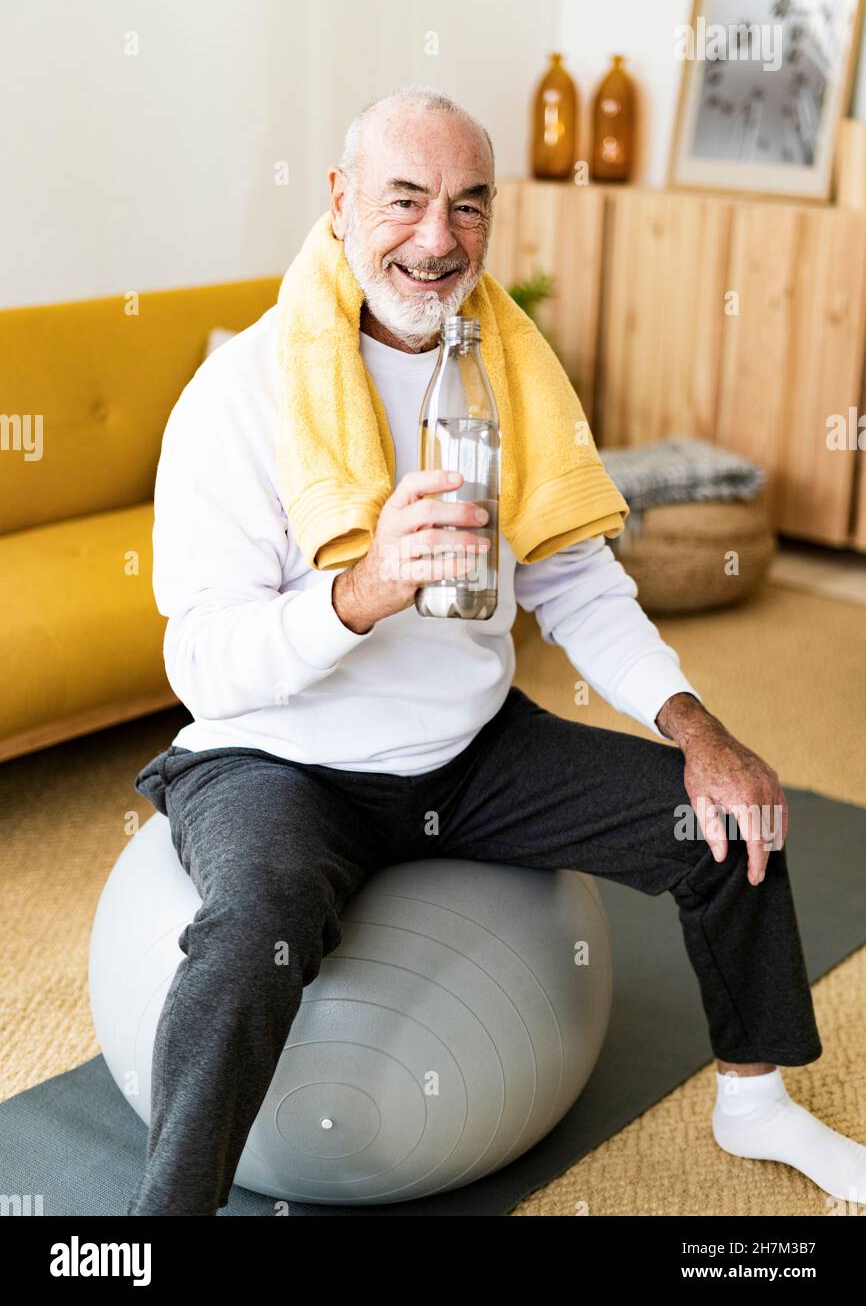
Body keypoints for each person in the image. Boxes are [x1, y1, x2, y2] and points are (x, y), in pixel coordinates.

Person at [127, 86, 865, 1216]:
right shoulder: (237, 398)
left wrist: (697, 727)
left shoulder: (503, 374)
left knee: (725, 818)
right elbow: (205, 664)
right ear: (338, 202)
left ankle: (752, 1098)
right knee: (250, 929)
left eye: (467, 206)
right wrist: (367, 586)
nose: (437, 239)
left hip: (464, 751)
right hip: (278, 755)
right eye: (405, 199)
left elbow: (573, 577)